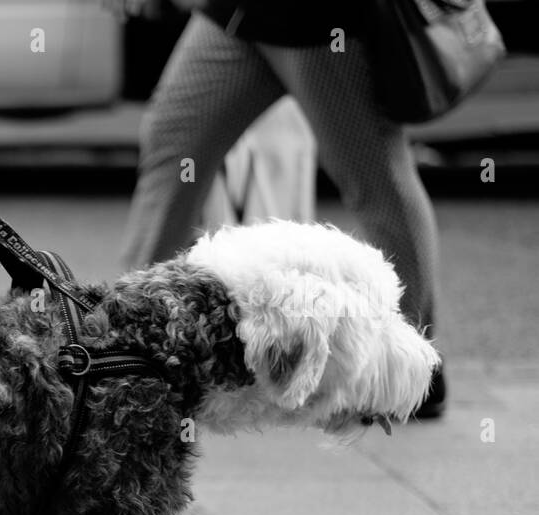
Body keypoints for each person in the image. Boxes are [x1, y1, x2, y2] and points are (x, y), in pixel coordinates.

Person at [117, 0, 445, 417]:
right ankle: (135, 346)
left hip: (317, 22)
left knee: (375, 180)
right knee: (175, 142)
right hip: (234, 14)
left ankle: (411, 372)